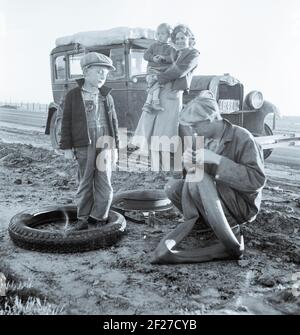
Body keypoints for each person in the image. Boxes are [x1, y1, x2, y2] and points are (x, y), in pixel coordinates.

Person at [151, 93, 266, 264]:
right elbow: (196, 177)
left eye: (196, 125)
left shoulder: (243, 138)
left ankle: (228, 231)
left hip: (240, 205)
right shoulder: (203, 139)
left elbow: (256, 181)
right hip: (214, 197)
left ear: (211, 118)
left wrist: (217, 160)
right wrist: (189, 166)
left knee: (200, 181)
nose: (193, 130)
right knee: (173, 187)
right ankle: (203, 226)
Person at [60, 52, 119, 231]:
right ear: (86, 72)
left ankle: (98, 217)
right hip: (83, 143)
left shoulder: (106, 96)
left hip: (105, 142)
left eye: (106, 73)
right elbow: (66, 122)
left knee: (104, 181)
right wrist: (67, 147)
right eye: (99, 71)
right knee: (85, 181)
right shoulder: (73, 95)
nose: (103, 75)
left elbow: (114, 123)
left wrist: (115, 147)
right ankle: (83, 218)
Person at [130, 24, 200, 166]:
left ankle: (164, 160)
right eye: (177, 38)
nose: (180, 41)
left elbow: (179, 70)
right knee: (151, 119)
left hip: (172, 92)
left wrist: (157, 77)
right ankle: (149, 154)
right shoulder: (175, 52)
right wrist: (153, 76)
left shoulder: (192, 54)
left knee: (166, 126)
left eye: (182, 37)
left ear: (189, 38)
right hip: (161, 88)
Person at [143, 23, 177, 113]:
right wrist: (153, 58)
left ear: (169, 36)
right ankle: (154, 102)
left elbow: (173, 59)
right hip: (152, 70)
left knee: (155, 85)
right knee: (156, 84)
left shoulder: (171, 49)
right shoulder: (153, 46)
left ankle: (147, 104)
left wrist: (164, 58)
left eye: (162, 34)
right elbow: (145, 55)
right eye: (158, 34)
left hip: (163, 72)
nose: (159, 36)